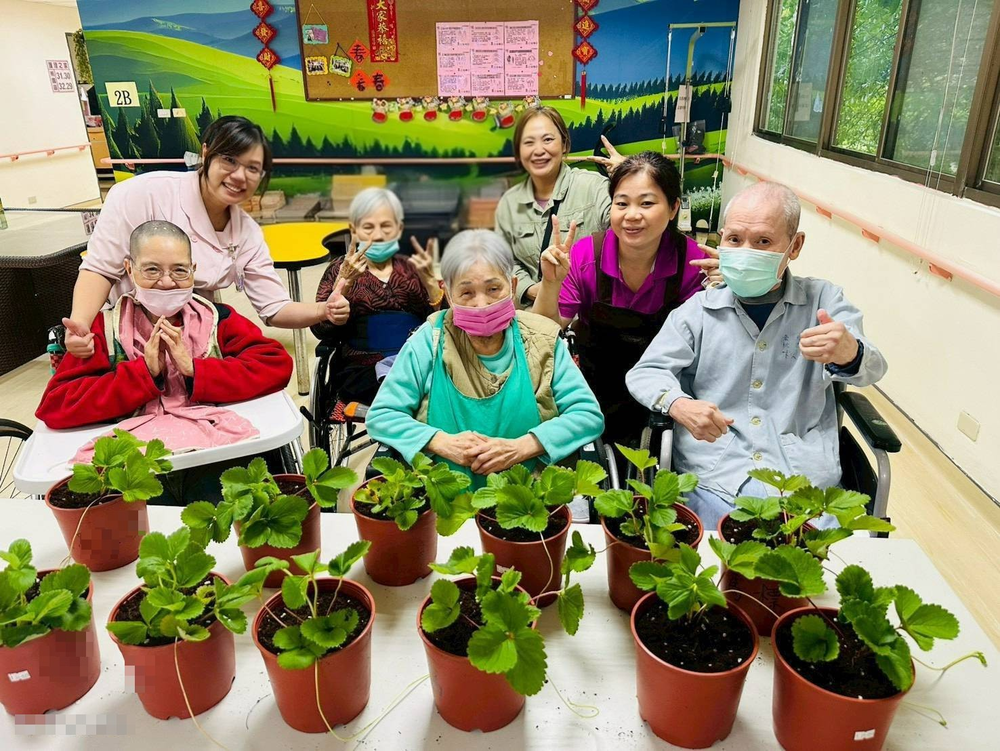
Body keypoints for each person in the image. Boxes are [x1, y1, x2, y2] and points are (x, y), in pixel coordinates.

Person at [625, 182, 888, 528]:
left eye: (763, 242)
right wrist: (679, 404)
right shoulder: (698, 311)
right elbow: (645, 372)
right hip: (716, 478)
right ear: (721, 239)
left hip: (803, 481)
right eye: (735, 239)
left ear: (795, 246)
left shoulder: (823, 302)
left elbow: (873, 368)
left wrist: (850, 352)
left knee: (818, 556)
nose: (746, 251)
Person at [36, 220, 293, 503]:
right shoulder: (105, 330)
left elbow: (276, 364)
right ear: (129, 270)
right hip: (133, 469)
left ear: (193, 270)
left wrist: (195, 370)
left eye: (179, 270)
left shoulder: (216, 319)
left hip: (217, 456)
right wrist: (143, 374)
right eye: (152, 270)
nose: (167, 282)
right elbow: (56, 405)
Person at [62, 115, 349, 358]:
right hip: (128, 338)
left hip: (195, 340)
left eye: (252, 168)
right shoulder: (142, 194)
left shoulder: (246, 232)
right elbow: (100, 269)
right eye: (229, 160)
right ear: (206, 153)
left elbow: (275, 308)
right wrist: (81, 327)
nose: (239, 176)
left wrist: (323, 309)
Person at [366, 230, 604, 486]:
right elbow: (383, 415)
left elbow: (587, 415)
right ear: (448, 294)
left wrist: (522, 447)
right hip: (441, 497)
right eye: (467, 293)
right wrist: (441, 442)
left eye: (493, 289)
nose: (482, 304)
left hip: (530, 497)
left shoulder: (541, 339)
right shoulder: (429, 341)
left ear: (512, 286)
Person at [532, 152, 721, 450]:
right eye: (621, 204)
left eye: (646, 203)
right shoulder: (585, 255)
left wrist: (725, 291)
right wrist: (550, 283)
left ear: (673, 208)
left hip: (666, 388)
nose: (632, 215)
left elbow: (710, 346)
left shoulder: (695, 262)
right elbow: (543, 332)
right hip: (595, 387)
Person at [310, 188, 443, 406]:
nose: (378, 235)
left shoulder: (416, 267)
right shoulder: (339, 270)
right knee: (402, 388)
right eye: (368, 227)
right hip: (362, 368)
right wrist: (343, 284)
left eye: (386, 226)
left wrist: (430, 283)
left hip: (415, 359)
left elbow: (447, 326)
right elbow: (321, 330)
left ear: (399, 229)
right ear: (354, 229)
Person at [494, 105, 625, 308]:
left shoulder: (595, 188)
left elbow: (633, 233)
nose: (539, 150)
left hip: (586, 316)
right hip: (534, 315)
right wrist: (531, 289)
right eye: (528, 142)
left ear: (564, 144)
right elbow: (504, 260)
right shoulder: (510, 202)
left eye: (548, 139)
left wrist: (630, 177)